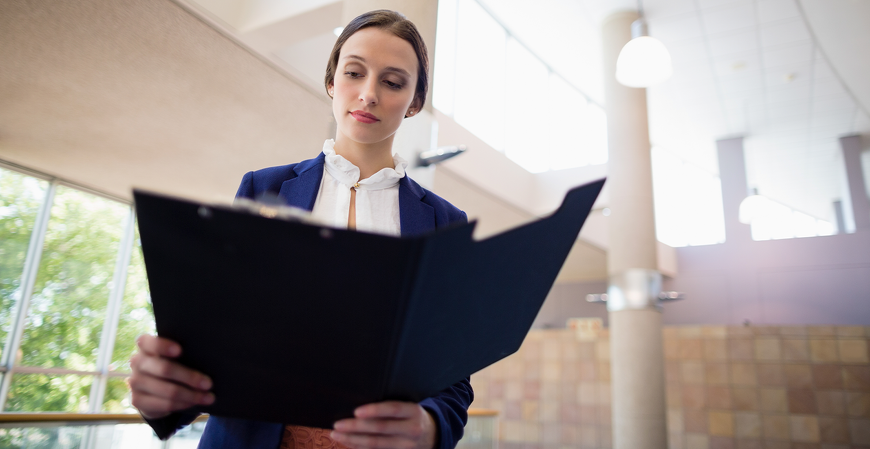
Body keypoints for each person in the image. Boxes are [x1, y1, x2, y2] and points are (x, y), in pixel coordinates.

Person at [128, 9, 473, 449]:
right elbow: (219, 340)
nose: (368, 94)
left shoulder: (445, 223)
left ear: (415, 102)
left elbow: (452, 380)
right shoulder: (263, 188)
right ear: (331, 82)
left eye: (392, 82)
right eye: (354, 73)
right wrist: (163, 400)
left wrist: (427, 429)